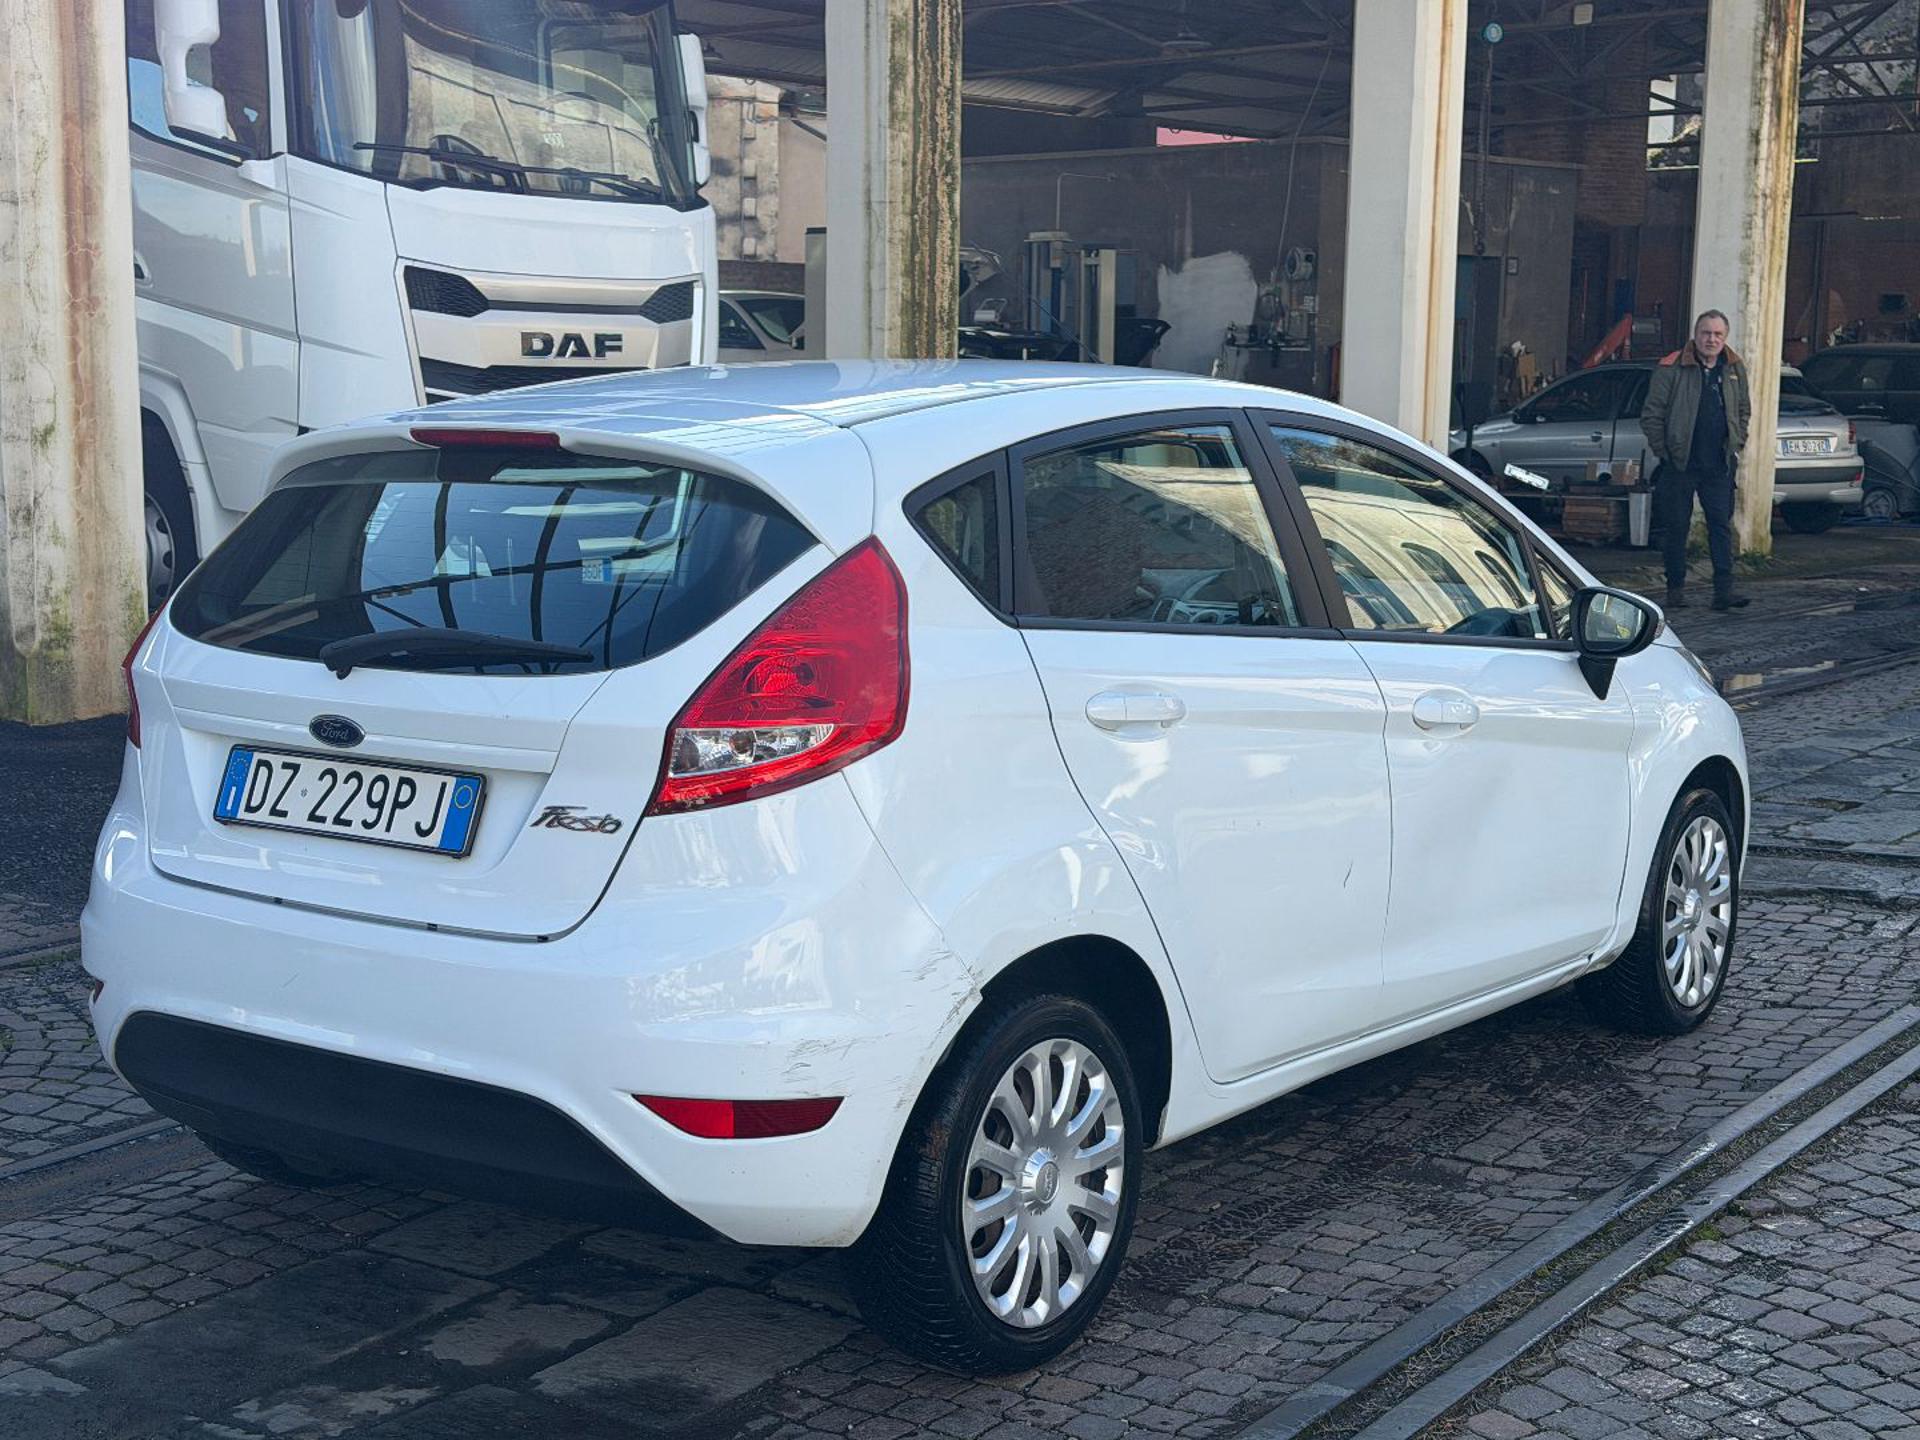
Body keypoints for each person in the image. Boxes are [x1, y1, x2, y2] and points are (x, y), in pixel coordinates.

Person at [1641, 310, 1752, 611]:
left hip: (1719, 463)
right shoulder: (1672, 366)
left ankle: (1724, 592)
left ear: (1725, 337)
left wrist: (1737, 441)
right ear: (1695, 334)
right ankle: (1675, 591)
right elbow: (1652, 414)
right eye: (1706, 333)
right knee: (1677, 527)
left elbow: (1743, 409)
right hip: (1680, 464)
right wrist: (1664, 451)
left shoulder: (1734, 367)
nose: (1711, 339)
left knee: (1720, 526)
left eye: (1717, 334)